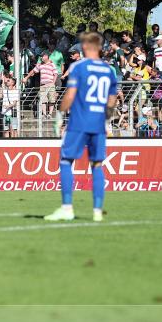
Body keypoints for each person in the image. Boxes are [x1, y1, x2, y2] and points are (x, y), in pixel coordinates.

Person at [45, 32, 118, 223]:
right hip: (99, 123)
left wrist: (59, 115)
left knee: (66, 161)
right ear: (101, 47)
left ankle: (67, 208)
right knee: (97, 165)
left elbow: (70, 95)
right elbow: (112, 99)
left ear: (85, 47)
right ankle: (97, 211)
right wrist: (107, 120)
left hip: (79, 122)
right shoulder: (109, 70)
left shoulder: (79, 67)